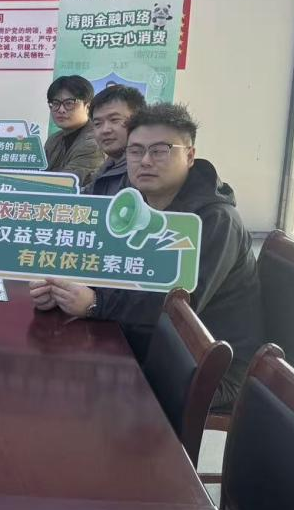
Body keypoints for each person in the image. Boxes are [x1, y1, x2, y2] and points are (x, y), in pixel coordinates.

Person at [30, 103, 262, 409]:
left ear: (189, 155)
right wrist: (61, 290)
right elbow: (116, 270)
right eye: (135, 151)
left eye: (160, 150)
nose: (145, 161)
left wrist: (96, 303)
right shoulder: (137, 202)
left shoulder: (214, 220)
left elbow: (179, 310)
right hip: (153, 342)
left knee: (78, 388)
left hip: (207, 367)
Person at [87, 83, 146, 196]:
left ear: (139, 120)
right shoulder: (107, 167)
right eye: (98, 123)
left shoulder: (145, 170)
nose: (105, 130)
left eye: (114, 120)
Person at [44, 75, 104, 184]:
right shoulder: (53, 140)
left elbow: (64, 183)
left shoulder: (94, 143)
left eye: (69, 103)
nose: (61, 110)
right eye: (56, 103)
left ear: (88, 107)